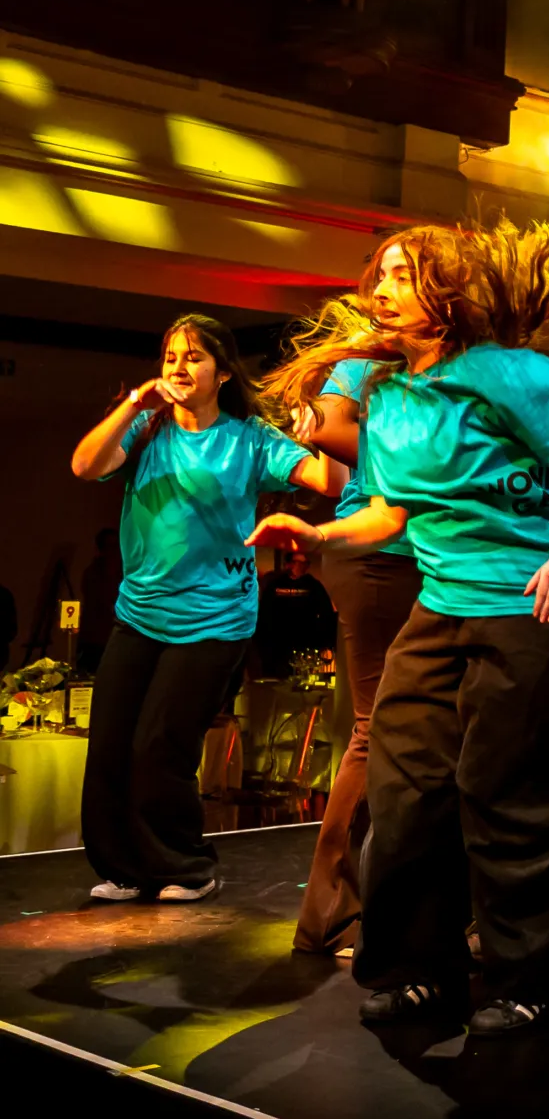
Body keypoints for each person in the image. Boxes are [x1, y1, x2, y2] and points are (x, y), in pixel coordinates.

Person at [249, 215, 549, 1036]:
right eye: (378, 275)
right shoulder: (389, 398)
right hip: (445, 605)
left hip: (537, 605)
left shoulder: (514, 373)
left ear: (449, 290)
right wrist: (316, 534)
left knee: (512, 794)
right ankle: (420, 966)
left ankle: (524, 975)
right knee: (406, 789)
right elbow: (389, 512)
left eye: (401, 274)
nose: (380, 290)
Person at [70, 314, 344, 903]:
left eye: (193, 356)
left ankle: (187, 867)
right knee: (111, 744)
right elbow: (84, 465)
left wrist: (327, 423)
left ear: (221, 372)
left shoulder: (249, 440)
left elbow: (328, 481)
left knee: (158, 747)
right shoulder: (146, 430)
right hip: (140, 614)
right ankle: (124, 867)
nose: (178, 366)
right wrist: (131, 405)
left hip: (214, 620)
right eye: (171, 355)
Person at [265, 352, 426, 956]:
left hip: (444, 557)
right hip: (381, 553)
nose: (390, 289)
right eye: (387, 275)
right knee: (375, 726)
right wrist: (434, 459)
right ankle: (333, 912)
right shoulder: (366, 367)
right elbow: (329, 429)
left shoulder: (468, 363)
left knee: (439, 735)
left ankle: (419, 908)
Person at [254, 549, 335, 677]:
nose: (304, 567)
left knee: (302, 676)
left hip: (305, 642)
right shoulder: (275, 584)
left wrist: (326, 642)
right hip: (276, 643)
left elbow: (326, 613)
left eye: (306, 563)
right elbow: (264, 612)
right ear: (289, 564)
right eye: (300, 563)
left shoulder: (313, 585)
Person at [76, 527, 121, 673]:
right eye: (111, 546)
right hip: (95, 641)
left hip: (117, 639)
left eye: (117, 546)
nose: (115, 551)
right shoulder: (93, 575)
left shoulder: (125, 574)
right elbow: (103, 603)